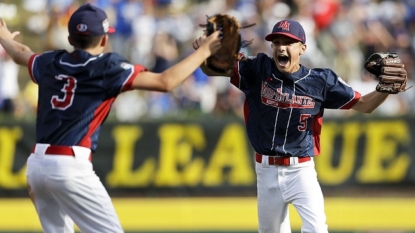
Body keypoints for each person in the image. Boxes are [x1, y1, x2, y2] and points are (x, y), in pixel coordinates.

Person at [0, 3, 221, 233]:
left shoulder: (51, 62)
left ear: (69, 37)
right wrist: (204, 51)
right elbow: (165, 82)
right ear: (104, 40)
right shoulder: (106, 66)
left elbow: (19, 53)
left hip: (37, 167)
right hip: (70, 166)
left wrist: (4, 37)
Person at [193, 19, 396, 233]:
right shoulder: (258, 69)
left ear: (303, 48)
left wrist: (386, 88)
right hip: (266, 170)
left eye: (289, 42)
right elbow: (212, 70)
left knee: (317, 229)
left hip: (301, 169)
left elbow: (364, 104)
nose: (282, 47)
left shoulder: (320, 81)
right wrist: (203, 54)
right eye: (277, 42)